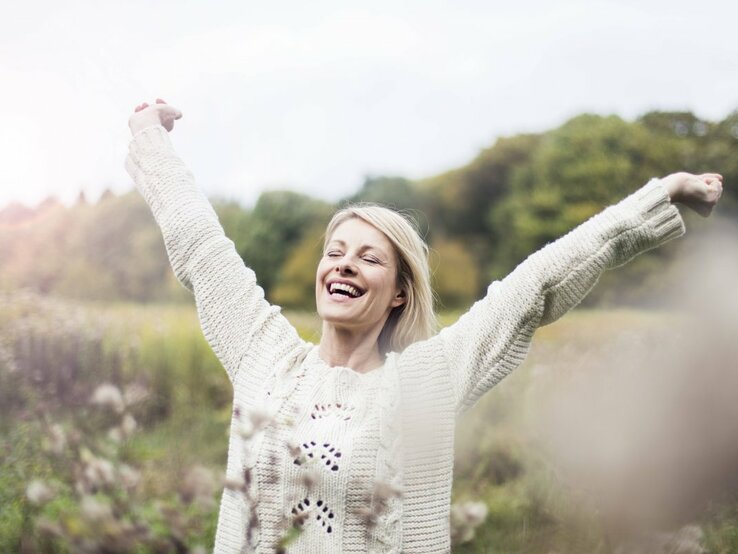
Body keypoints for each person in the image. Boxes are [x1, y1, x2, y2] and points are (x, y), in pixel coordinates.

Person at [126, 99, 723, 554]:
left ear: (399, 292)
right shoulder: (264, 357)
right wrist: (150, 137)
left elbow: (533, 286)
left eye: (368, 257)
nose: (343, 265)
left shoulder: (425, 382)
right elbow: (201, 246)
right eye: (335, 251)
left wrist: (660, 194)